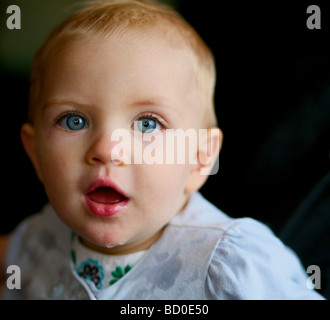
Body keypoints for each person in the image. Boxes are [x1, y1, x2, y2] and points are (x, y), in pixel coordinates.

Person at [0, 0, 324, 299]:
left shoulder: (230, 263)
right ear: (35, 153)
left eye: (147, 124)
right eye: (73, 121)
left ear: (200, 159)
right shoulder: (37, 239)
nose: (107, 149)